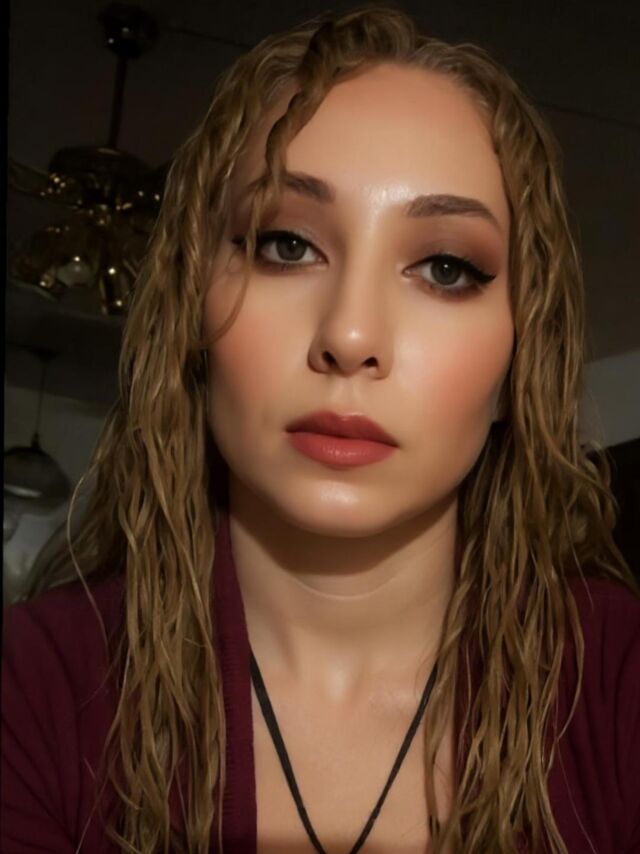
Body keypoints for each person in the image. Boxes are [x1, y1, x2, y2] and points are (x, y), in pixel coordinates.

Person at [2, 5, 639, 853]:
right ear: (192, 307)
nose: (350, 335)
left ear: (522, 352)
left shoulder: (621, 686)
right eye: (286, 246)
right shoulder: (33, 688)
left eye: (445, 267)